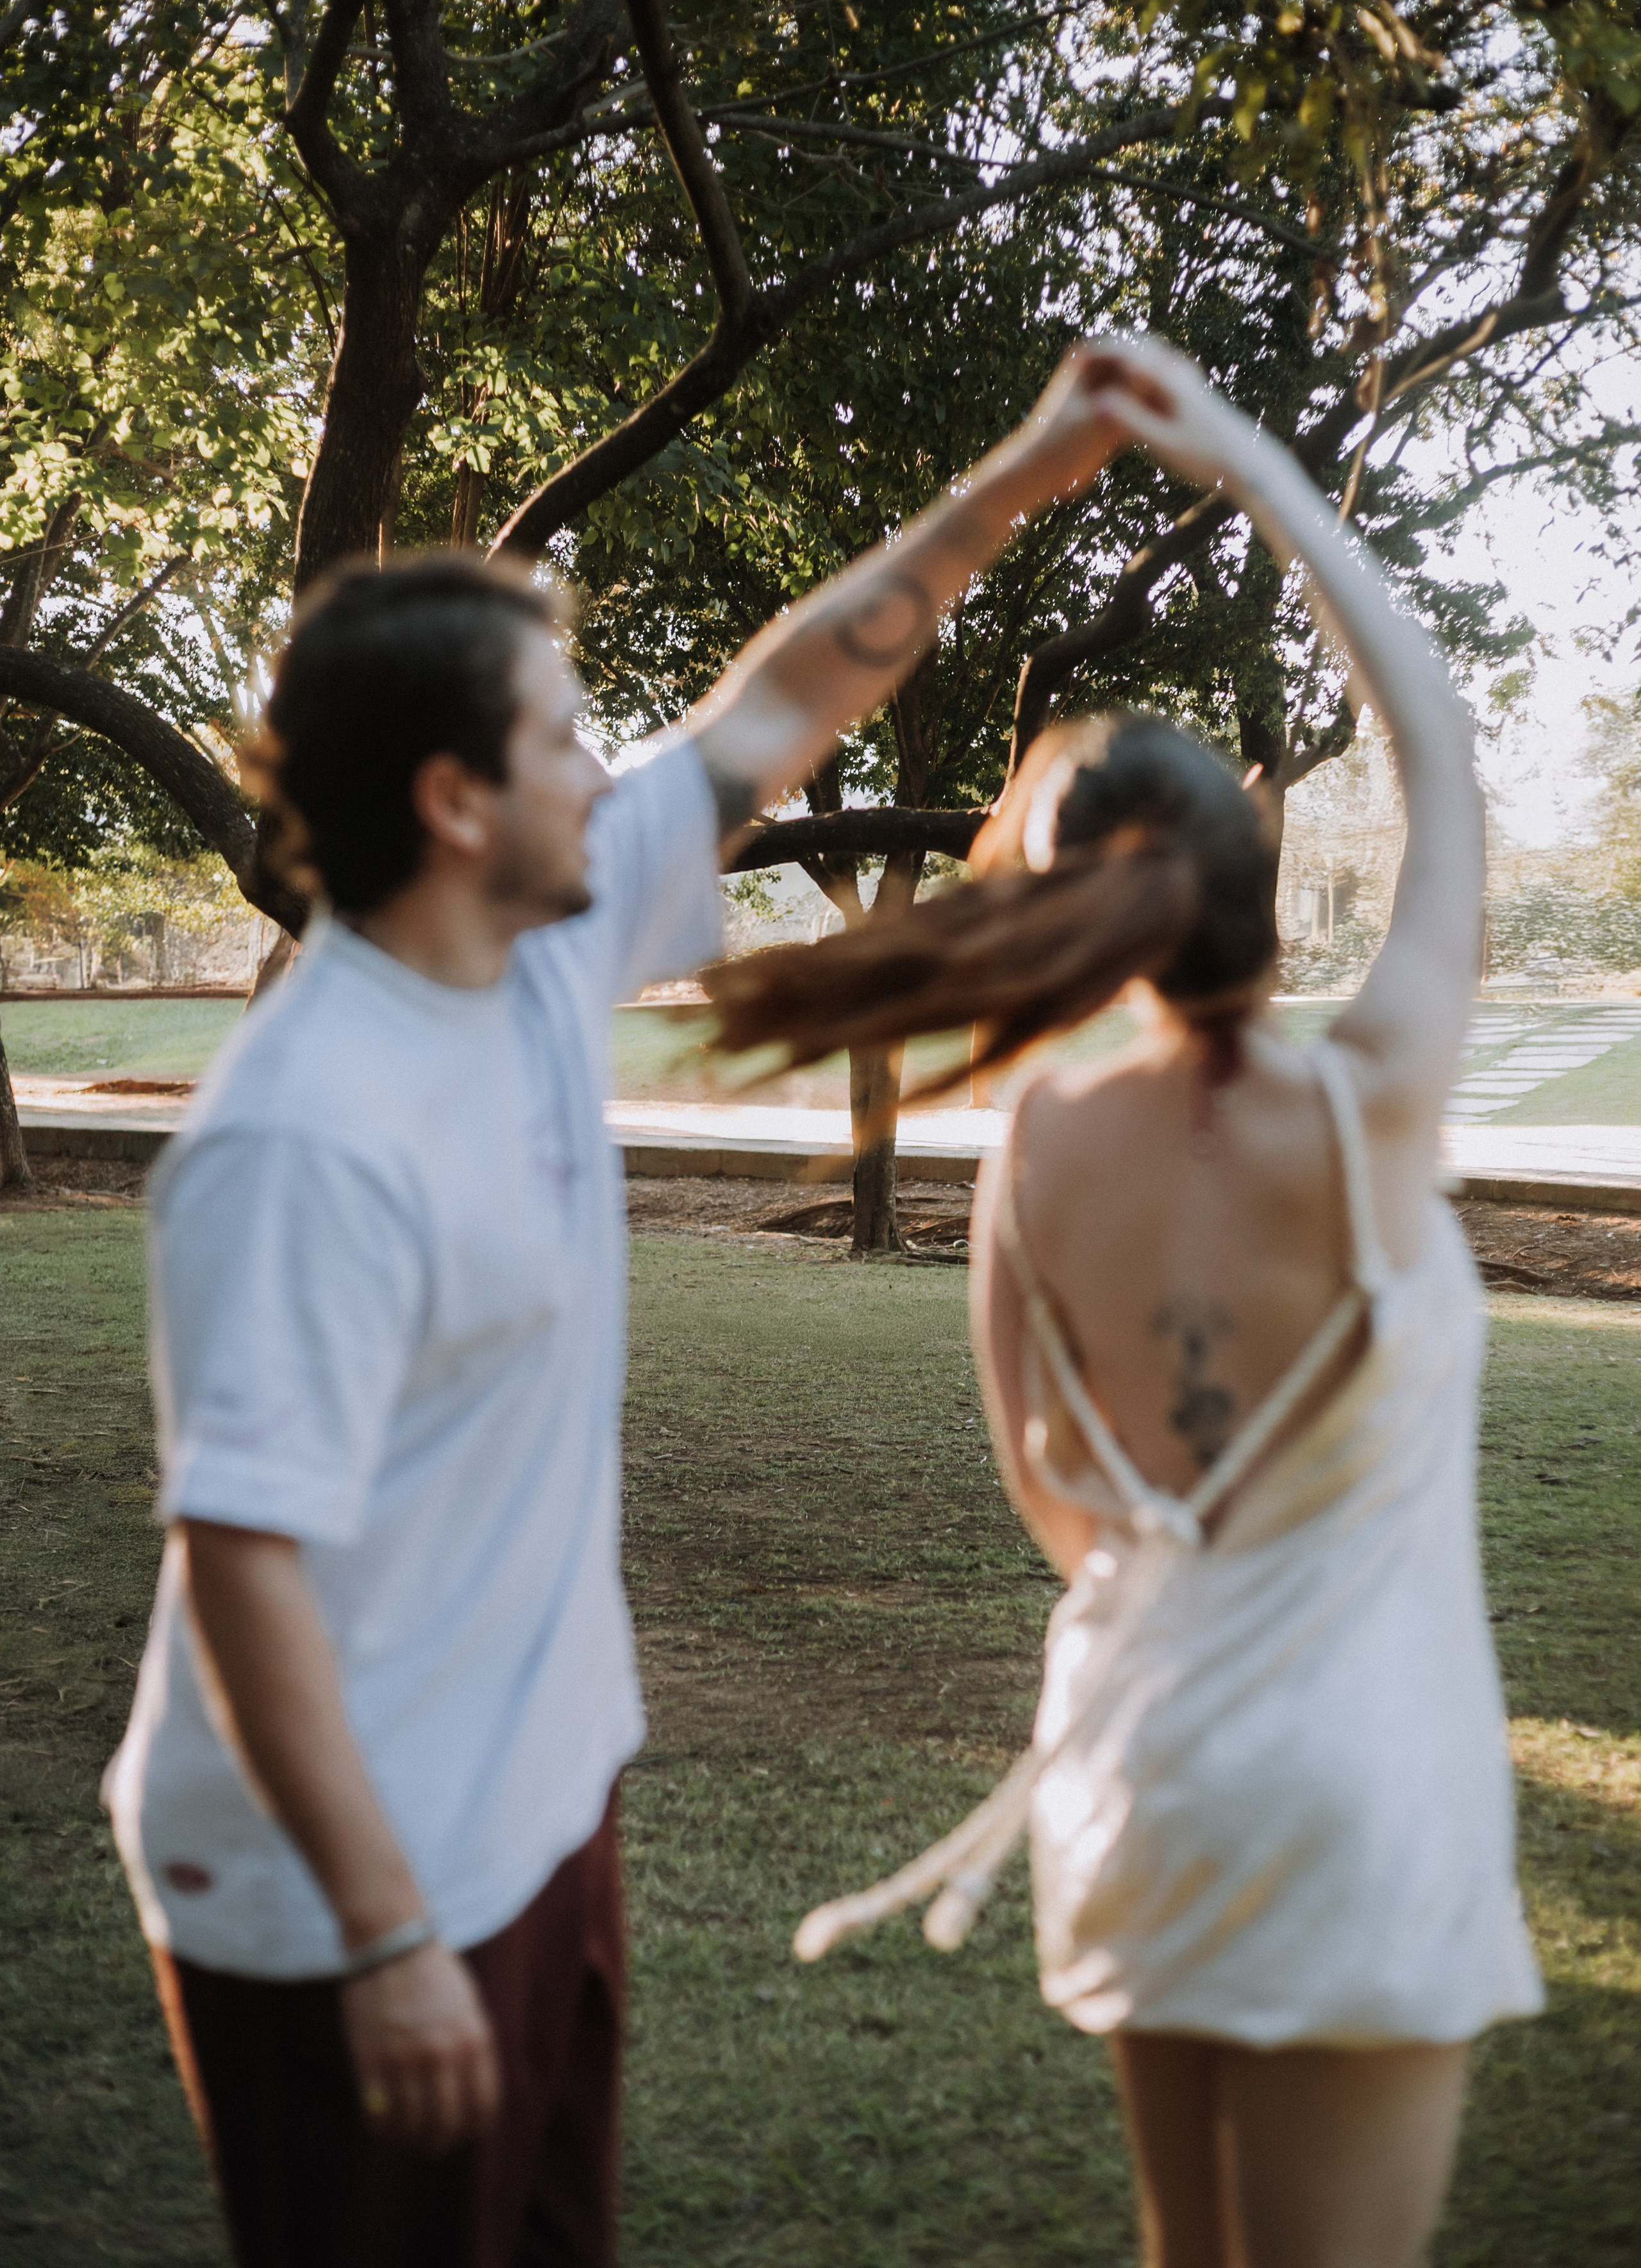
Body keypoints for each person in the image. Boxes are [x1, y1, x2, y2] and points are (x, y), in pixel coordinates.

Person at [101, 345, 1134, 2268]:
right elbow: (240, 1560)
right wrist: (391, 1937)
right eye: (565, 736)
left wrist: (1033, 468)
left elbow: (790, 701)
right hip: (356, 1892)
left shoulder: (540, 944)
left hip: (540, 1804)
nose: (612, 767)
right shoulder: (306, 1132)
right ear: (455, 800)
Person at [706, 338, 1543, 2268]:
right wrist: (1253, 461)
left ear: (1057, 889)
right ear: (1253, 852)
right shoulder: (1368, 1104)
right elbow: (1437, 752)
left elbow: (1057, 1503)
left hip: (1142, 1759)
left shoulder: (1038, 1144)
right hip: (1355, 1785)